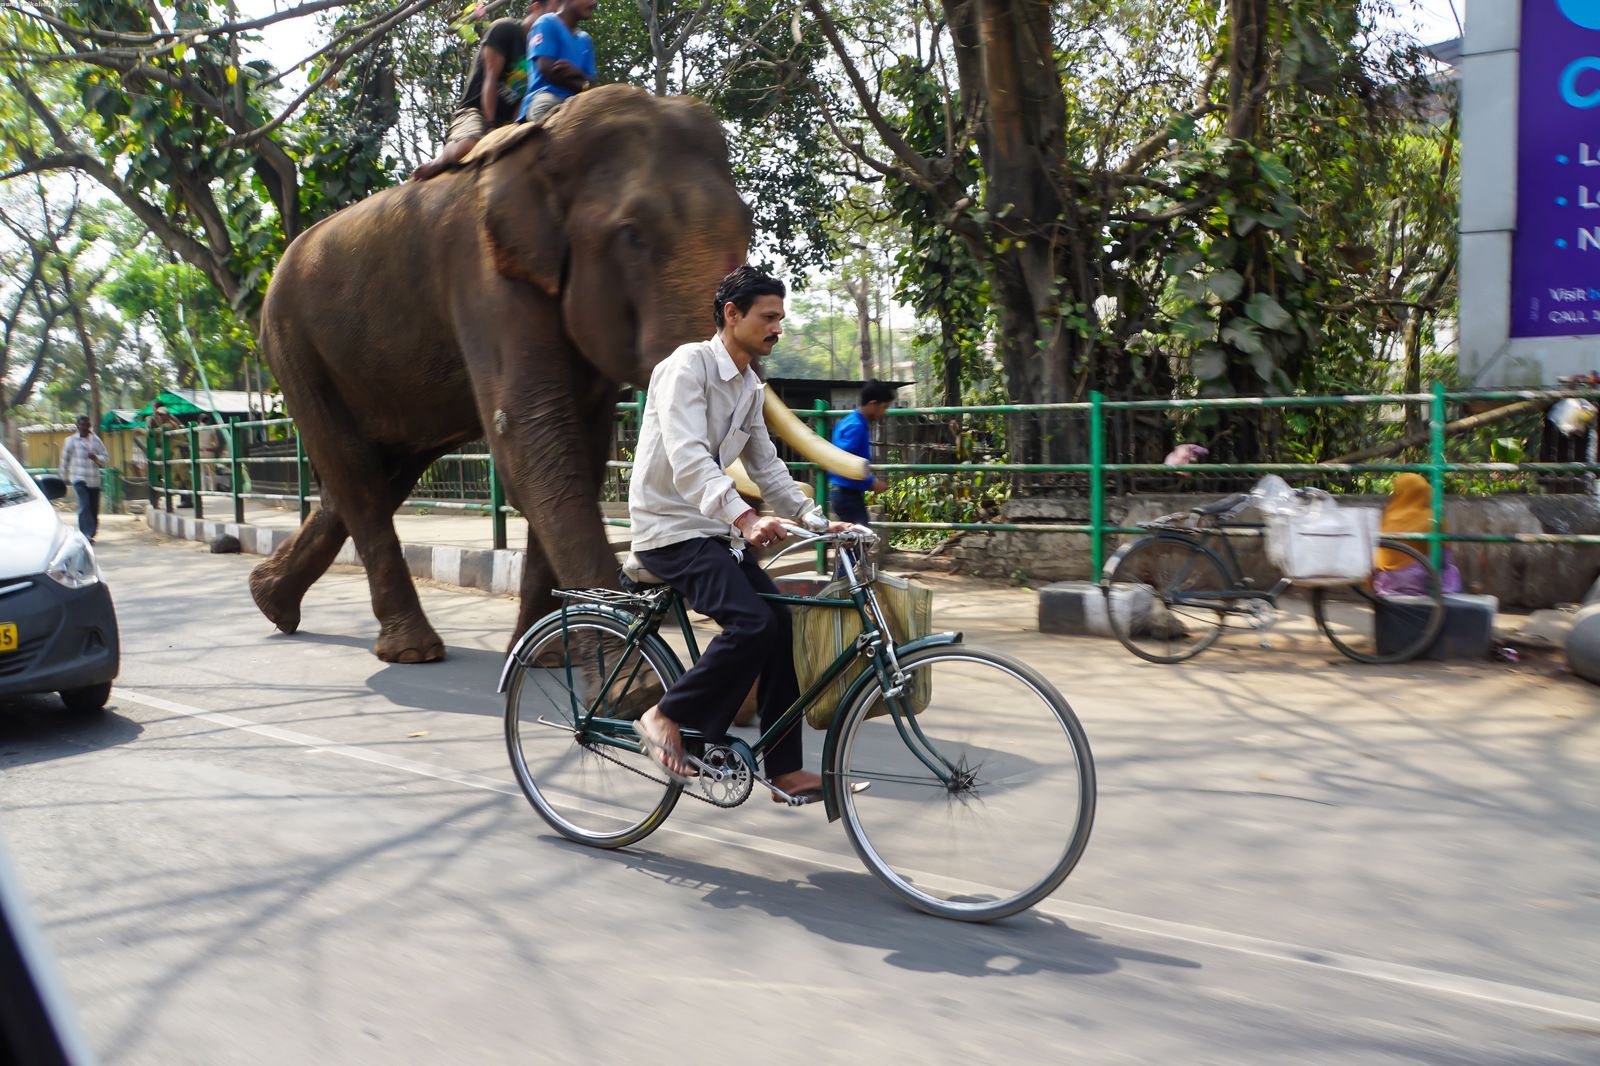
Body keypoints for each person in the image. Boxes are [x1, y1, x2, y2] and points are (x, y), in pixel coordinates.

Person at [628, 266, 851, 801]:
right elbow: (687, 459)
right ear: (733, 315)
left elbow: (768, 467)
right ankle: (664, 715)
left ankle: (783, 769)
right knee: (751, 624)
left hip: (714, 530)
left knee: (780, 625)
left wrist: (819, 521)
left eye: (780, 318)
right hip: (670, 529)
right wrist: (746, 519)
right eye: (767, 317)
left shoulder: (750, 386)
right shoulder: (688, 367)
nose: (777, 328)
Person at [411, 0, 551, 181]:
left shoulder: (539, 52)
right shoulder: (506, 29)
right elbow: (490, 79)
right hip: (476, 110)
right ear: (536, 7)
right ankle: (441, 159)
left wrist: (513, 127)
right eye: (550, 14)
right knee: (467, 146)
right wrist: (491, 125)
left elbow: (524, 98)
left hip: (505, 120)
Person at [1374, 473, 1463, 596]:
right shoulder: (1433, 517)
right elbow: (1445, 557)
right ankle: (1443, 596)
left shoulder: (1387, 515)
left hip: (1385, 582)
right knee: (1450, 569)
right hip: (1419, 581)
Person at [517, 0, 596, 126]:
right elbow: (547, 69)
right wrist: (582, 83)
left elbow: (592, 85)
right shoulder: (546, 22)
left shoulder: (585, 40)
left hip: (578, 101)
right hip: (547, 96)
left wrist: (577, 72)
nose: (594, 3)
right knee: (546, 120)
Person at [828, 379, 893, 525]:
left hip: (844, 492)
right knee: (859, 539)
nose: (884, 412)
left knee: (853, 539)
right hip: (847, 494)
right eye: (884, 407)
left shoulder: (849, 421)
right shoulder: (856, 427)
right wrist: (872, 482)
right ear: (872, 404)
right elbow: (844, 462)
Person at [59, 416, 109, 542]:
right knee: (84, 504)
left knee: (93, 508)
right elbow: (64, 460)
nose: (85, 428)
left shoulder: (95, 440)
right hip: (78, 478)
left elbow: (106, 458)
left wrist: (96, 458)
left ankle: (91, 533)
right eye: (82, 425)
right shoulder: (70, 441)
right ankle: (85, 534)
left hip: (93, 480)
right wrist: (63, 478)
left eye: (87, 425)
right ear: (77, 426)